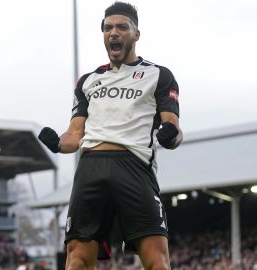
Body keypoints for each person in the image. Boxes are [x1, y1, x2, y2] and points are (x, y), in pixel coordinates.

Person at [38, 2, 182, 269]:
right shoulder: (88, 81)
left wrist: (170, 135)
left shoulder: (159, 75)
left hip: (134, 167)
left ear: (136, 34)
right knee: (77, 260)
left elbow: (172, 129)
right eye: (107, 28)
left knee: (156, 261)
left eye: (121, 27)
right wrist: (58, 143)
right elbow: (75, 134)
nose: (113, 33)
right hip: (91, 167)